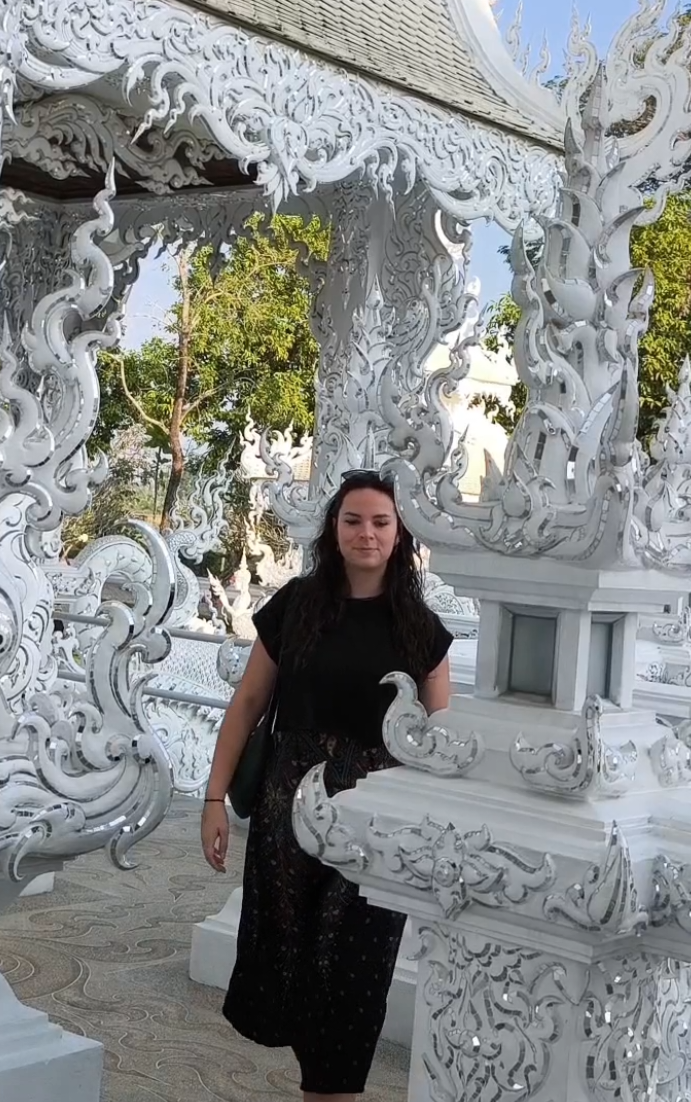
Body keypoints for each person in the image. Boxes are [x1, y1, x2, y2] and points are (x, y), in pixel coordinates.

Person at [200, 471, 453, 1101]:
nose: (366, 534)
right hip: (290, 817)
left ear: (399, 536)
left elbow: (441, 742)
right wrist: (213, 799)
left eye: (380, 522)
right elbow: (249, 703)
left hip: (377, 829)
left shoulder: (421, 629)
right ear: (334, 531)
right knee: (296, 976)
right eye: (353, 521)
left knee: (352, 986)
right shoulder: (297, 606)